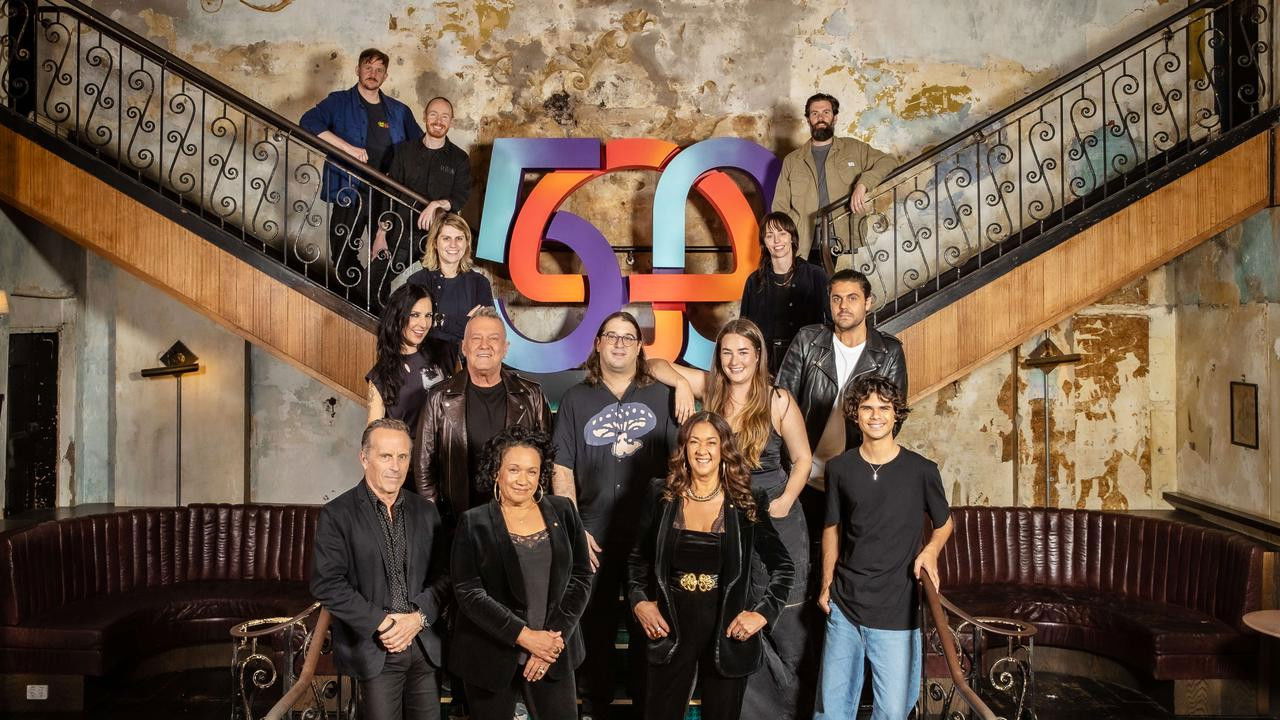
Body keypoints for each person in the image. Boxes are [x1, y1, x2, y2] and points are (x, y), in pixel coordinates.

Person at [647, 319, 813, 720]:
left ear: (758, 355)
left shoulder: (778, 400)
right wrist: (681, 383)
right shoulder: (711, 389)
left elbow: (803, 458)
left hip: (775, 512)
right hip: (729, 515)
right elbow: (652, 363)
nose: (735, 360)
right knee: (738, 611)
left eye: (743, 352)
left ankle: (791, 711)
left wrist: (786, 500)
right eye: (726, 352)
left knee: (783, 617)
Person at [551, 312, 678, 719]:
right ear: (598, 344)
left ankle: (645, 706)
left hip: (649, 533)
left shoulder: (663, 395)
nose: (619, 344)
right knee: (595, 623)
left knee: (649, 621)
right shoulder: (576, 399)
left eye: (628, 337)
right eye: (612, 336)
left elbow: (680, 465)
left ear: (640, 347)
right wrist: (574, 528)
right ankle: (596, 706)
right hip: (593, 531)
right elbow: (562, 467)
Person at [627, 411, 795, 720]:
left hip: (726, 633)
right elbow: (637, 559)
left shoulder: (746, 500)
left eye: (711, 442)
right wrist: (640, 602)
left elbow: (784, 567)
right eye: (694, 442)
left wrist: (762, 614)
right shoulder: (661, 494)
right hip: (670, 629)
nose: (702, 450)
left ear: (724, 449)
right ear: (684, 448)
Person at [816, 375, 953, 720]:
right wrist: (827, 582)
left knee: (892, 712)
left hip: (896, 608)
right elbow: (832, 528)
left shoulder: (922, 471)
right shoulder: (839, 468)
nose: (875, 415)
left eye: (884, 408)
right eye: (867, 408)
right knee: (831, 712)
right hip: (845, 604)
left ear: (896, 414)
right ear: (855, 414)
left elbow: (945, 523)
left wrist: (930, 551)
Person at [310, 418, 450, 720]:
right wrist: (383, 624)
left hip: (423, 645)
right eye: (385, 456)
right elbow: (328, 584)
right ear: (364, 458)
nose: (395, 466)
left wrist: (418, 618)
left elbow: (445, 576)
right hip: (375, 648)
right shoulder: (337, 514)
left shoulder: (426, 511)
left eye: (402, 457)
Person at [450, 426, 593, 720]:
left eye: (532, 471)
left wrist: (550, 642)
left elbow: (581, 577)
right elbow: (468, 592)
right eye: (514, 469)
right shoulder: (473, 522)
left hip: (553, 652)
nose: (523, 480)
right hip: (491, 657)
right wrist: (525, 636)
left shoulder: (564, 511)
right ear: (496, 472)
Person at [300, 48, 422, 301]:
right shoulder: (339, 101)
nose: (373, 73)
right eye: (368, 67)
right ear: (358, 70)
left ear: (385, 76)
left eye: (379, 70)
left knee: (384, 254)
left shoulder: (399, 111)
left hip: (387, 195)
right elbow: (308, 122)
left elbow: (420, 148)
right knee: (342, 253)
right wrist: (348, 149)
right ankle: (356, 304)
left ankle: (373, 305)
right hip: (350, 189)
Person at [413, 307, 551, 520]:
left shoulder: (532, 395)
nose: (484, 345)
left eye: (493, 339)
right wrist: (437, 520)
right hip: (458, 522)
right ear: (464, 347)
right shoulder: (439, 397)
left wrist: (533, 515)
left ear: (505, 348)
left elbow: (546, 461)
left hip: (517, 521)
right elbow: (424, 467)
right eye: (476, 338)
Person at [775, 268, 907, 485]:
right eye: (837, 299)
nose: (843, 306)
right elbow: (780, 404)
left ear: (867, 302)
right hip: (800, 475)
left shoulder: (888, 351)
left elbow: (894, 417)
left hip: (854, 478)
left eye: (852, 298)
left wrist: (862, 467)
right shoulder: (808, 341)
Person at [772, 93, 897, 265]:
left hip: (839, 234)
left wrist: (863, 184)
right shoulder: (792, 160)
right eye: (815, 113)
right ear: (808, 119)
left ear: (835, 117)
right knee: (811, 279)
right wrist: (781, 241)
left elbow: (889, 161)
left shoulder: (854, 148)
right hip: (803, 238)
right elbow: (780, 206)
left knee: (826, 277)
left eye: (826, 112)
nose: (820, 118)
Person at [375, 97, 472, 305]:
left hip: (437, 239)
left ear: (451, 121)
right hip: (401, 232)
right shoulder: (404, 151)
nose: (438, 121)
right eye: (433, 115)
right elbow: (389, 193)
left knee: (432, 295)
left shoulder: (460, 158)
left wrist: (436, 204)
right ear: (425, 117)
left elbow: (460, 196)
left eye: (444, 116)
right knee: (376, 285)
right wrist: (381, 234)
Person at [738, 212, 829, 377]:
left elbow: (830, 322)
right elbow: (745, 329)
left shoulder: (816, 275)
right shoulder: (754, 281)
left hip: (808, 362)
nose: (776, 240)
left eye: (782, 233)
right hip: (767, 366)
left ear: (792, 237)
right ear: (764, 243)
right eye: (769, 235)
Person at [397, 214, 494, 368]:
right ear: (435, 242)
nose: (453, 245)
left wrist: (439, 320)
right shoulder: (418, 281)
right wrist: (465, 324)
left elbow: (486, 330)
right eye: (446, 238)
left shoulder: (480, 283)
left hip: (468, 368)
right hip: (425, 366)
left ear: (467, 243)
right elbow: (411, 326)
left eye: (459, 238)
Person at [366, 284, 451, 435]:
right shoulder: (380, 376)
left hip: (447, 445)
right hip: (409, 449)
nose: (423, 324)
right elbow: (373, 437)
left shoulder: (443, 351)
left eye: (428, 315)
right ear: (398, 316)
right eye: (415, 315)